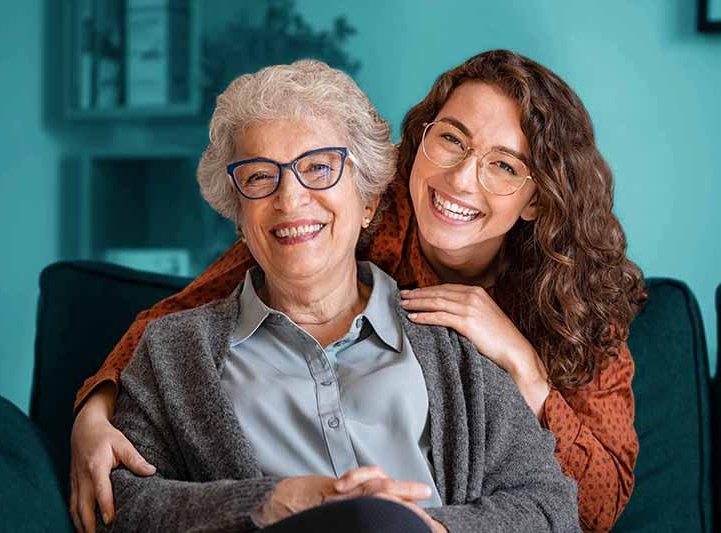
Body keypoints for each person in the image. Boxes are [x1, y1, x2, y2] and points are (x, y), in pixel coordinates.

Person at [71, 50, 645, 533]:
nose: (462, 179)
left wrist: (522, 365)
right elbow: (179, 318)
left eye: (504, 165)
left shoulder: (552, 313)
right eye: (451, 140)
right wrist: (95, 409)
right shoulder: (359, 220)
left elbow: (574, 506)